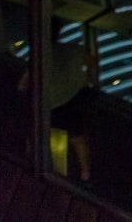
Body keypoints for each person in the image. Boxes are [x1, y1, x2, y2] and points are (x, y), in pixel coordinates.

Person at [18, 17, 94, 184]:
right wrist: (87, 78)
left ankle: (30, 164)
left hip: (46, 104)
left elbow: (24, 84)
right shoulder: (73, 50)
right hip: (71, 101)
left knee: (32, 133)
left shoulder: (39, 55)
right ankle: (85, 173)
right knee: (77, 136)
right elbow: (91, 61)